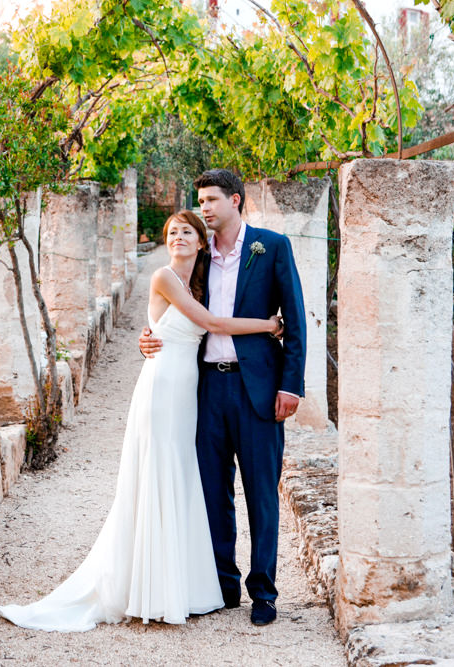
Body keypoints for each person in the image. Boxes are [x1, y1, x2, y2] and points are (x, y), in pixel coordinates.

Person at [0, 210, 283, 632]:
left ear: (201, 241)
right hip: (162, 389)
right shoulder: (164, 277)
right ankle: (152, 589)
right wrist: (270, 325)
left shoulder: (197, 280)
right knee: (159, 475)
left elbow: (195, 335)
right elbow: (213, 324)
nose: (178, 237)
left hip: (191, 391)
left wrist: (150, 334)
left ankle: (188, 584)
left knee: (184, 479)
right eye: (172, 232)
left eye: (186, 231)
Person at [139, 169, 307, 626]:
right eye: (201, 199)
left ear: (237, 200)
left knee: (261, 494)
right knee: (212, 491)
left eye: (213, 199)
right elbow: (174, 310)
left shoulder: (271, 247)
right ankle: (222, 584)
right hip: (205, 388)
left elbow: (294, 317)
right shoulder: (197, 256)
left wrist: (291, 385)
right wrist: (148, 337)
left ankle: (264, 593)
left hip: (259, 388)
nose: (205, 207)